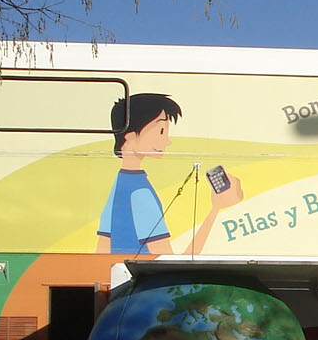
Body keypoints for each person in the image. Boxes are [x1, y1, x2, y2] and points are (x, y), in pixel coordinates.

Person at [97, 92, 241, 254]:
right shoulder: (140, 192)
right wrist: (215, 209)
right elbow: (169, 262)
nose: (168, 140)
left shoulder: (120, 182)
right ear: (130, 137)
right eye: (161, 131)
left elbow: (101, 249)